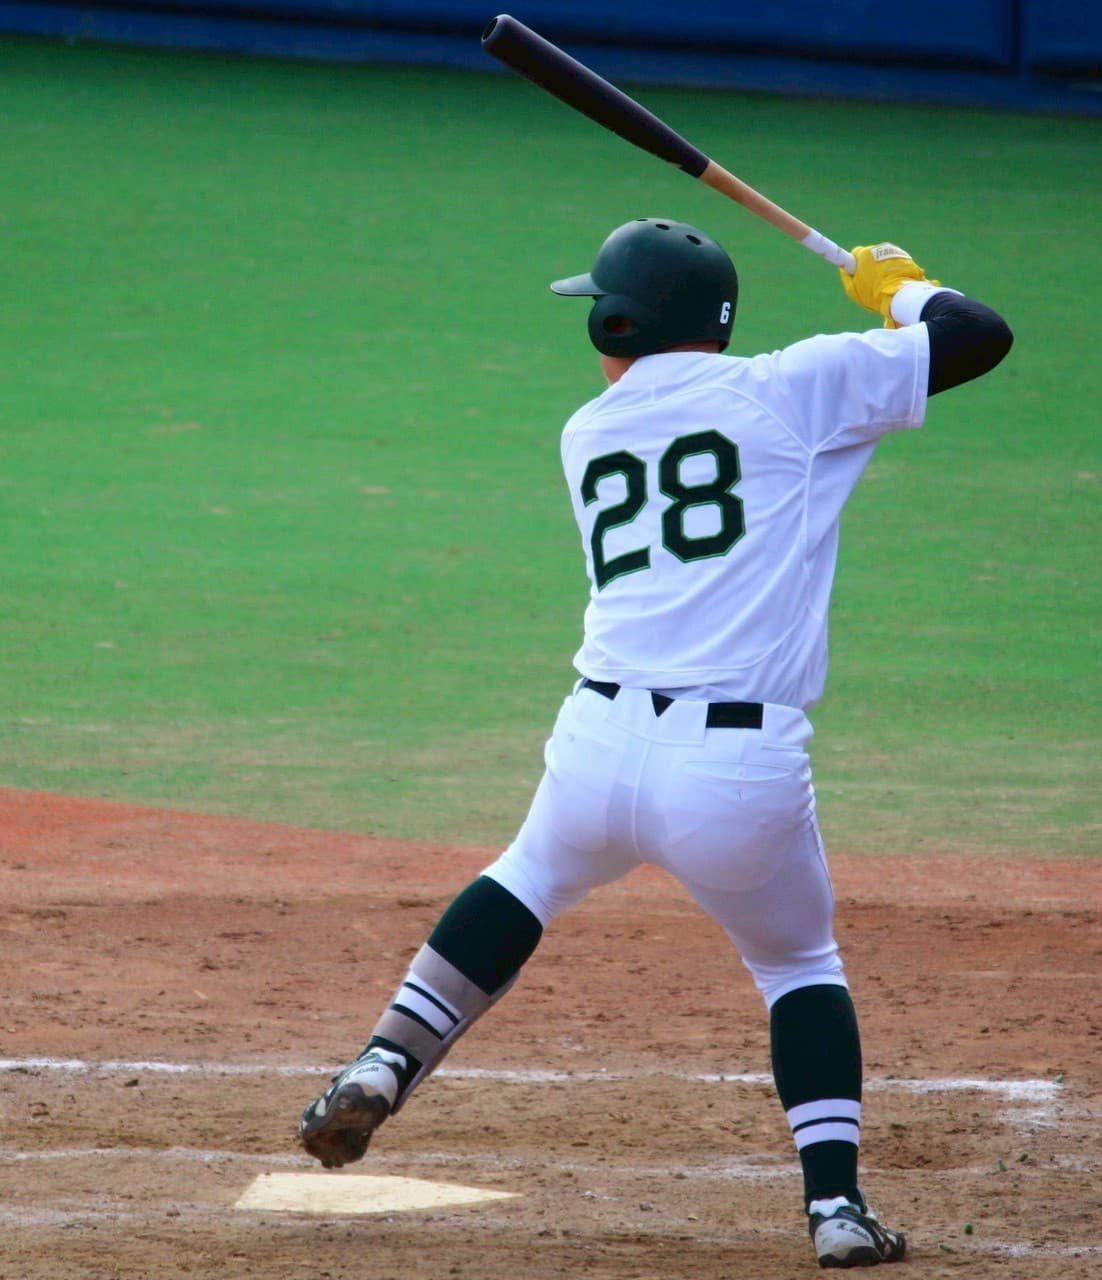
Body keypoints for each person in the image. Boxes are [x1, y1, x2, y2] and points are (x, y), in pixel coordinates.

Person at [299, 218, 1013, 1268]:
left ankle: (382, 1062)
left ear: (618, 323)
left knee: (527, 876)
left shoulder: (588, 427)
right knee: (797, 963)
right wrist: (896, 291)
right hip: (736, 769)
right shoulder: (794, 386)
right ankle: (835, 1208)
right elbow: (978, 334)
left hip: (597, 738)